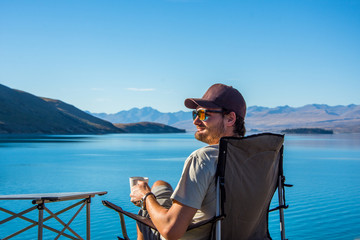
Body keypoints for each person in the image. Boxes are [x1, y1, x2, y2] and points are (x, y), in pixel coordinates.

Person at [130, 83, 246, 240]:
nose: (196, 121)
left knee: (146, 209)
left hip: (190, 235)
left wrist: (145, 197)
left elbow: (171, 231)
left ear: (230, 119)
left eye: (204, 114)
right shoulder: (256, 157)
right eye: (195, 114)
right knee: (160, 184)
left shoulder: (203, 158)